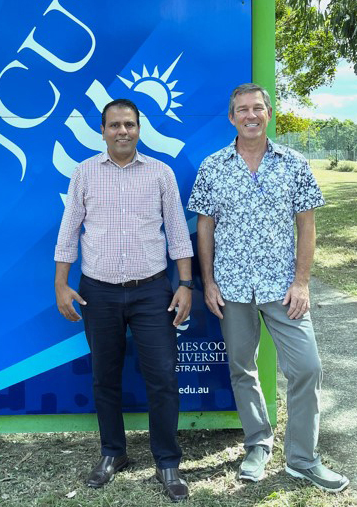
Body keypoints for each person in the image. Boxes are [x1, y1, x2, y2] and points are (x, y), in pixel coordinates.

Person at [187, 83, 349, 492]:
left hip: (283, 288)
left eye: (257, 108)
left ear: (270, 113)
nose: (250, 115)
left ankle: (302, 459)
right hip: (232, 287)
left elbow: (306, 226)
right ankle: (257, 444)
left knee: (307, 367)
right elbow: (204, 229)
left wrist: (302, 282)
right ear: (231, 117)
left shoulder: (294, 163)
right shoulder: (213, 167)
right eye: (242, 109)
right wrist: (208, 282)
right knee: (242, 369)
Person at [54, 98, 193, 502]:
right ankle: (113, 453)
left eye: (129, 124)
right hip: (98, 291)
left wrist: (185, 284)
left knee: (163, 378)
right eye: (114, 125)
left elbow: (178, 235)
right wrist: (61, 285)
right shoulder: (84, 174)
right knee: (104, 377)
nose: (122, 131)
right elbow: (68, 233)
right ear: (102, 131)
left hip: (152, 291)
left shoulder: (160, 173)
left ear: (139, 128)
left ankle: (167, 461)